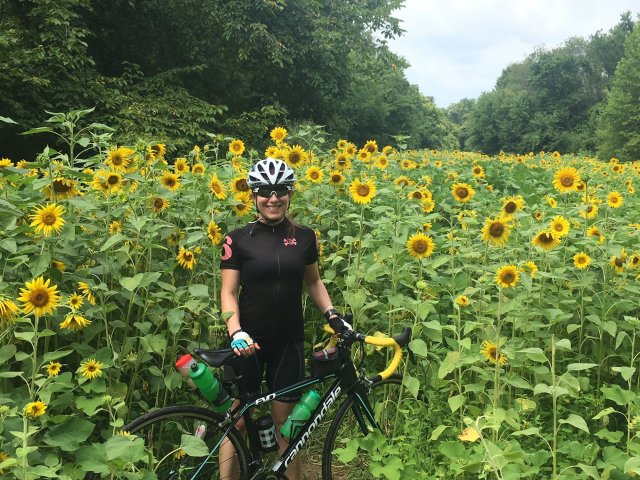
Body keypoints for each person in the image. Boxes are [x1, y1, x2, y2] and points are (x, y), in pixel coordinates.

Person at [219, 158, 349, 480]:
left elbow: (313, 282)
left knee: (287, 425)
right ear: (254, 195)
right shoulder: (237, 238)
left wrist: (332, 315)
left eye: (280, 190)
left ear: (290, 193)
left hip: (288, 341)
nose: (273, 197)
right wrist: (236, 332)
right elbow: (229, 293)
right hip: (245, 340)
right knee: (236, 422)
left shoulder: (305, 237)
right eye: (265, 190)